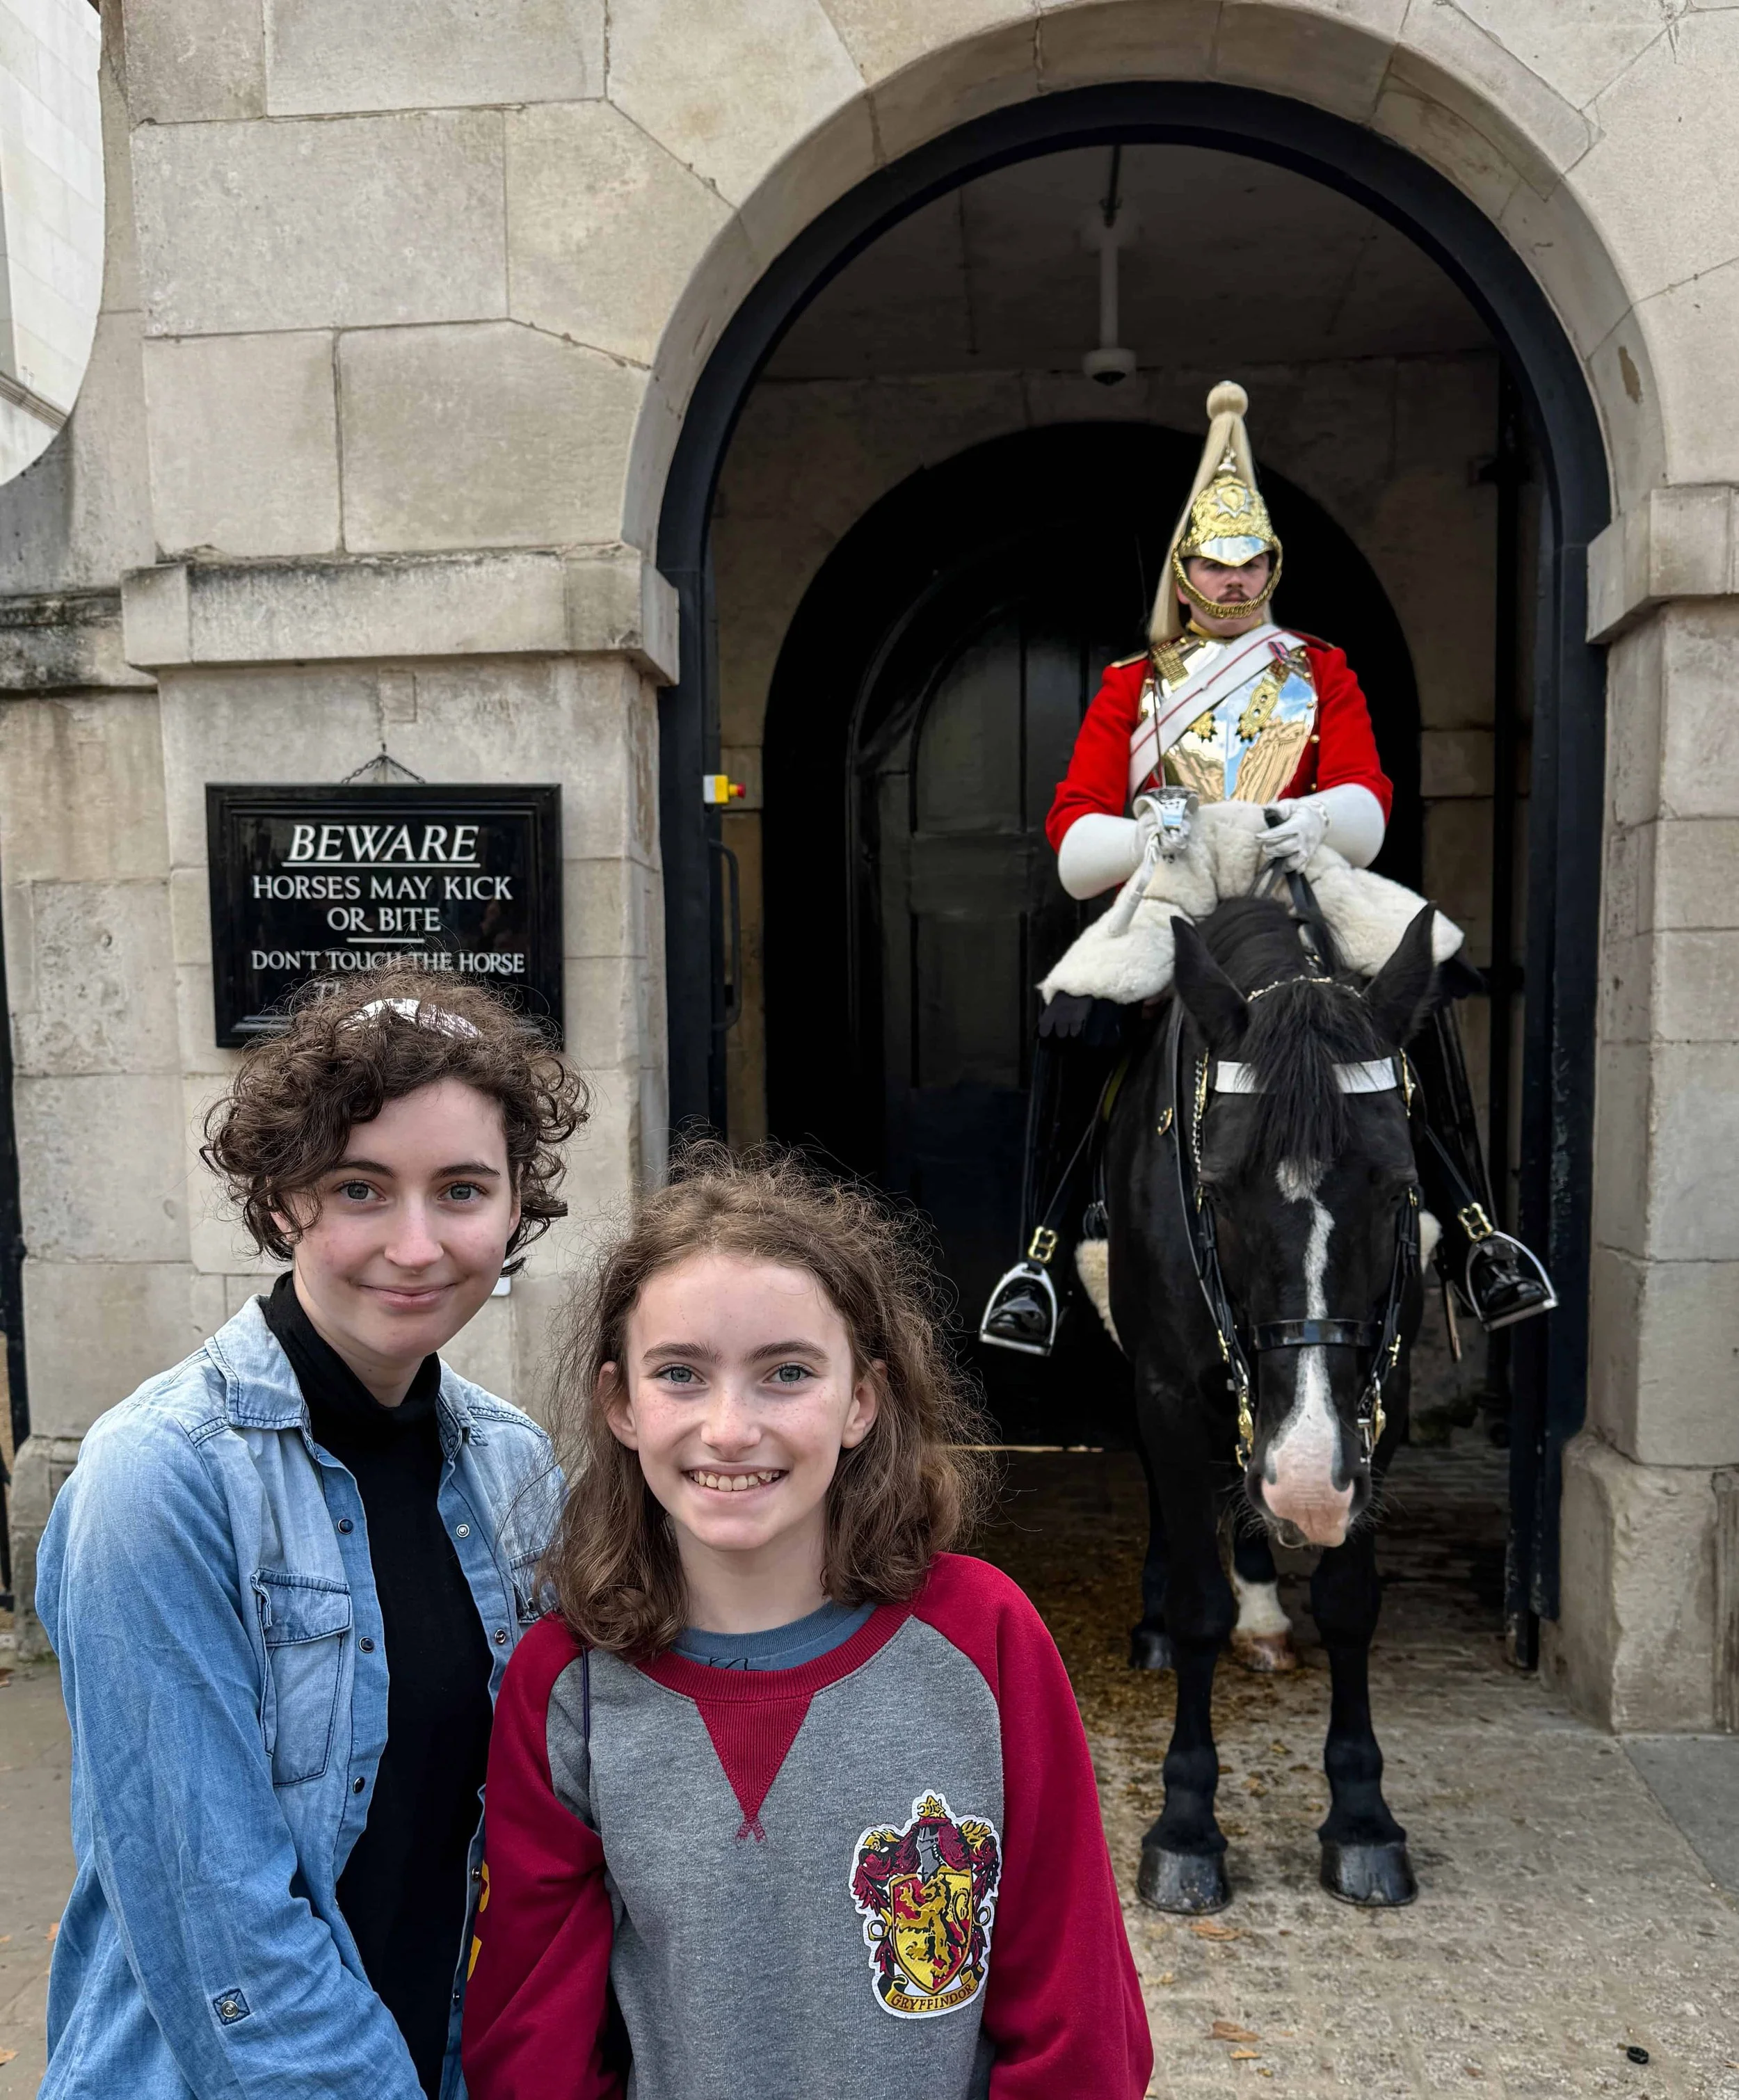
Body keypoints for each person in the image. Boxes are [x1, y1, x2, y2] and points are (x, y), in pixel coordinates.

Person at [462, 1148, 1153, 2100]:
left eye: (786, 1372)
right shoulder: (567, 1685)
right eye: (681, 1374)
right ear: (620, 1404)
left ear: (861, 1400)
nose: (731, 1426)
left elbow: (1079, 2025)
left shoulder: (985, 1638)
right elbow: (531, 2048)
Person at [34, 975, 585, 2100]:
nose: (418, 1244)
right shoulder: (160, 1477)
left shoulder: (516, 1466)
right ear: (284, 1198)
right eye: (361, 1188)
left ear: (515, 1204)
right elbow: (216, 1922)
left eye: (463, 1189)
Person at [980, 380, 1555, 1356]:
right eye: (1216, 562)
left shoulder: (1319, 669)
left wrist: (1312, 818)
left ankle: (1474, 1230)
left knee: (1428, 978)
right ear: (1187, 565)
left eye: (1252, 564)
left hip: (1300, 883)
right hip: (1177, 891)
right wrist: (1145, 833)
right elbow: (1075, 836)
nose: (1236, 581)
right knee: (1078, 1012)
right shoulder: (1133, 685)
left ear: (1272, 565)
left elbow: (1369, 801)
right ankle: (1040, 1254)